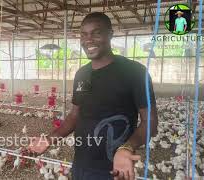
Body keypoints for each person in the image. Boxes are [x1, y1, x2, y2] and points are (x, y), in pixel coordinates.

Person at [28, 12, 158, 180]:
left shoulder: (134, 72)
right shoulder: (82, 74)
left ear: (110, 35)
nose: (88, 40)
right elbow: (74, 116)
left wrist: (127, 148)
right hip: (81, 165)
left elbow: (151, 123)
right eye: (84, 34)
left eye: (96, 33)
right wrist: (49, 139)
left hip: (114, 169)